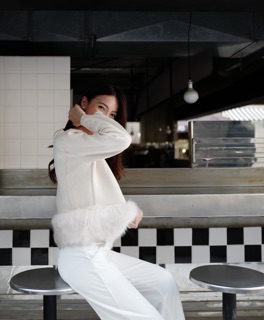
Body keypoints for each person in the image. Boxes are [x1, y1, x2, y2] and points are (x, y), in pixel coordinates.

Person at [48, 84, 185, 320]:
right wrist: (83, 119)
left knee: (164, 283)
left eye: (111, 115)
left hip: (99, 254)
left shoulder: (90, 149)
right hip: (82, 257)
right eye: (101, 109)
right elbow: (121, 137)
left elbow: (97, 193)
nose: (105, 118)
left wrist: (128, 211)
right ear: (83, 103)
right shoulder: (68, 140)